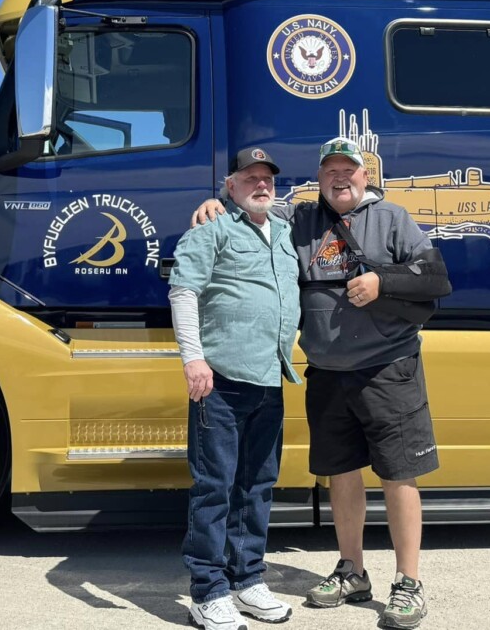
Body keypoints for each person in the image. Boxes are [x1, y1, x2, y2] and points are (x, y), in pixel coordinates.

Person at [194, 136, 440, 630]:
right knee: (341, 473)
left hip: (388, 368)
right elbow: (253, 201)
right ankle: (352, 571)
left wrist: (382, 282)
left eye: (349, 169)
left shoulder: (393, 219)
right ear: (320, 178)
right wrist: (215, 201)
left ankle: (408, 583)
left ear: (365, 176)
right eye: (330, 170)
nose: (340, 177)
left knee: (397, 474)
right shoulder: (301, 220)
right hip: (327, 372)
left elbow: (435, 279)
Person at [169, 146, 302, 630]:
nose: (261, 184)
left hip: (270, 378)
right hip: (221, 380)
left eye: (267, 178)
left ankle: (247, 581)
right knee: (215, 488)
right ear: (230, 186)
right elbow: (184, 291)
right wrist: (193, 359)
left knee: (257, 486)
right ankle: (208, 591)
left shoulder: (285, 233)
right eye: (250, 178)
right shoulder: (213, 230)